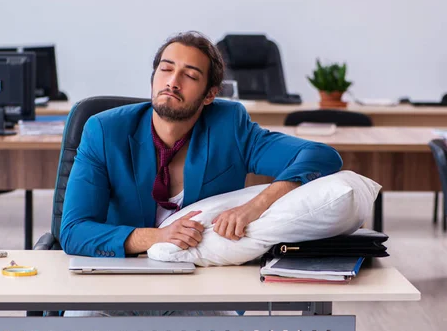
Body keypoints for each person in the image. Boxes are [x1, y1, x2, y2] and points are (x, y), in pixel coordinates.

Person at [61, 31, 343, 258]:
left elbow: (320, 156)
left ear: (210, 94)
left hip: (201, 277)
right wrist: (158, 237)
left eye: (190, 75)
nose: (173, 82)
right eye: (166, 69)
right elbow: (74, 231)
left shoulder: (229, 127)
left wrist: (255, 206)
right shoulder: (104, 131)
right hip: (120, 273)